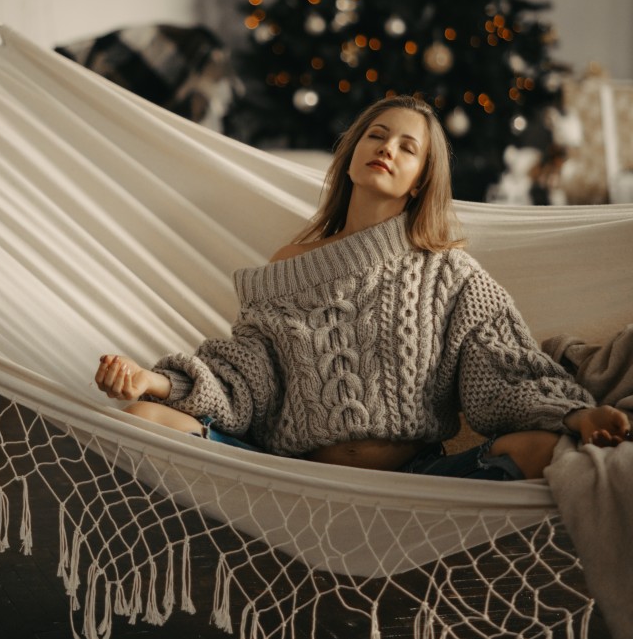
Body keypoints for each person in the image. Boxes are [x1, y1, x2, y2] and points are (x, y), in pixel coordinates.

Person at [95, 95, 631, 480]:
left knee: (541, 448)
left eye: (407, 146)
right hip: (293, 474)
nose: (387, 149)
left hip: (419, 483)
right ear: (351, 153)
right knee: (145, 419)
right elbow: (245, 380)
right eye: (375, 135)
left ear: (421, 178)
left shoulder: (448, 272)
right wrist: (154, 383)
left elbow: (500, 371)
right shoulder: (290, 265)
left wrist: (575, 415)